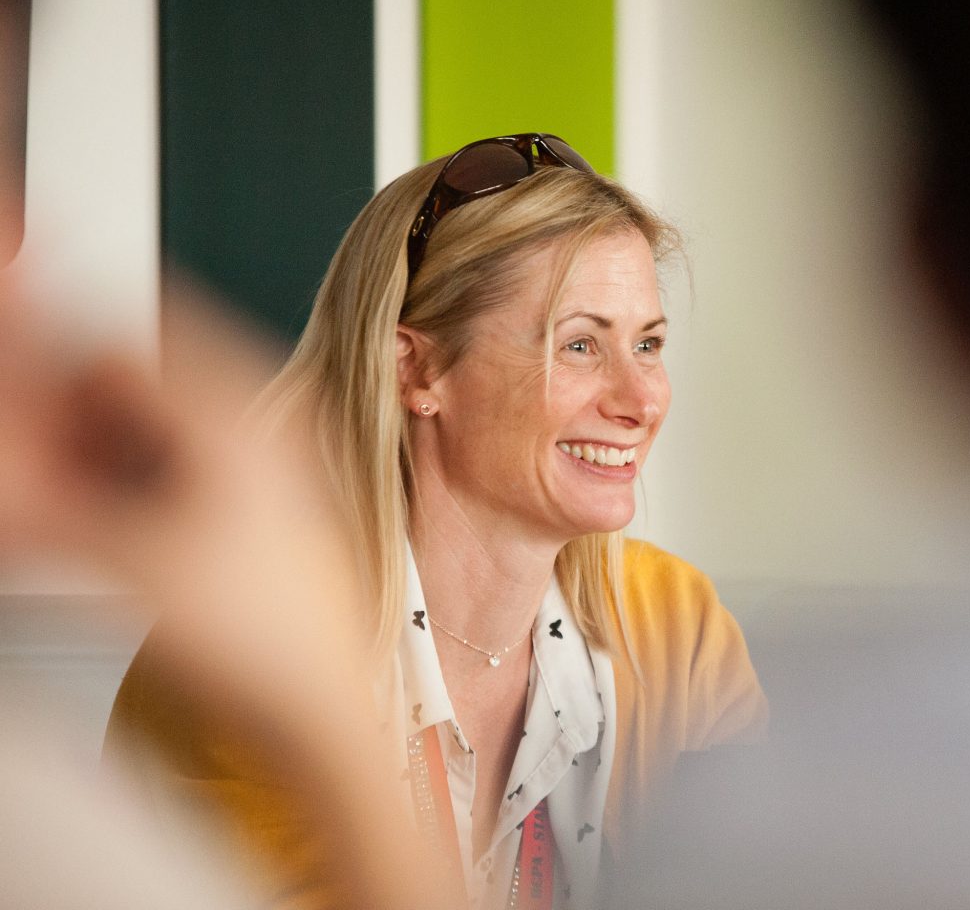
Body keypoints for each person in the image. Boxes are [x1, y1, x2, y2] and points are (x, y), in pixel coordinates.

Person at [107, 133, 768, 910]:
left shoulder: (677, 632)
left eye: (648, 344)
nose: (641, 400)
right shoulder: (244, 657)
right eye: (581, 344)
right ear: (417, 370)